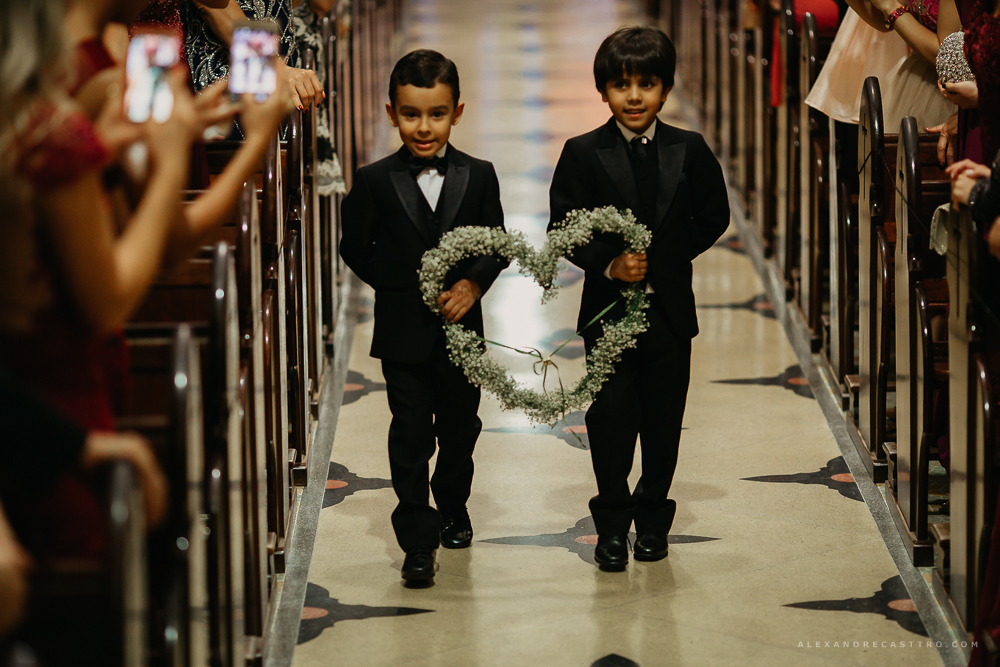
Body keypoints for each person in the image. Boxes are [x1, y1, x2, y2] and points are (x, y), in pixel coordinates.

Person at [547, 27, 730, 572]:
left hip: (669, 313)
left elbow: (713, 215)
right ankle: (610, 525)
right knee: (609, 420)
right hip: (609, 314)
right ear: (602, 90)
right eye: (621, 85)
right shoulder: (583, 152)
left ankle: (652, 521)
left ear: (666, 89)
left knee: (663, 421)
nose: (633, 97)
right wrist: (609, 263)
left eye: (646, 84)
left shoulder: (689, 149)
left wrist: (667, 258)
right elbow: (564, 226)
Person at [339, 50, 507, 585]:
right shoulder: (373, 179)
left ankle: (453, 504)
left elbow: (496, 244)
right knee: (410, 433)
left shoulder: (479, 175)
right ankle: (416, 536)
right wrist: (398, 287)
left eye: (436, 114)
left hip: (462, 333)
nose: (424, 127)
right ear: (392, 113)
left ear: (457, 112)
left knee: (460, 429)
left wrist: (472, 284)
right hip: (403, 334)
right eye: (411, 114)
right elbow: (354, 247)